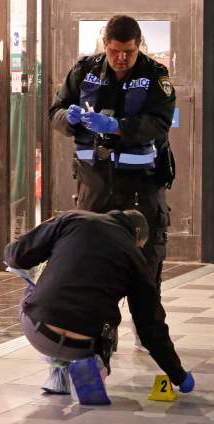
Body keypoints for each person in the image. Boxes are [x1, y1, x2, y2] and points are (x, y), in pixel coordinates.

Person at [4, 209, 195, 395]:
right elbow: (150, 328)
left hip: (39, 332)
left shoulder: (73, 219)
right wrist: (178, 375)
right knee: (106, 316)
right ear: (137, 233)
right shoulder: (136, 260)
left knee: (35, 291)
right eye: (140, 246)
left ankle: (58, 375)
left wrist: (10, 253)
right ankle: (96, 362)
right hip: (82, 346)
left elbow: (18, 255)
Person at [49, 15, 176, 287]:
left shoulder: (155, 74)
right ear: (105, 44)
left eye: (128, 52)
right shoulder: (85, 71)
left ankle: (148, 329)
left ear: (139, 44)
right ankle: (100, 329)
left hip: (141, 189)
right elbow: (55, 112)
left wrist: (117, 126)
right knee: (91, 273)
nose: (121, 58)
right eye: (114, 51)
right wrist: (66, 118)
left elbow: (160, 123)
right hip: (93, 187)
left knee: (144, 277)